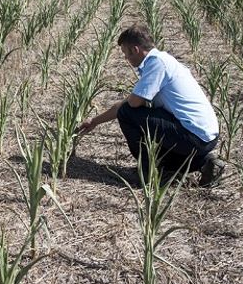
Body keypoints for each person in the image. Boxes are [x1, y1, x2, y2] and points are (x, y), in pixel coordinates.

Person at [78, 24, 224, 186]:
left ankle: (148, 172)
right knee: (163, 160)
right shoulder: (164, 60)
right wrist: (94, 122)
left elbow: (130, 105)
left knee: (128, 113)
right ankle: (205, 162)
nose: (126, 59)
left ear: (135, 49)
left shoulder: (157, 63)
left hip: (193, 136)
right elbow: (127, 102)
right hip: (205, 137)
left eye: (125, 53)